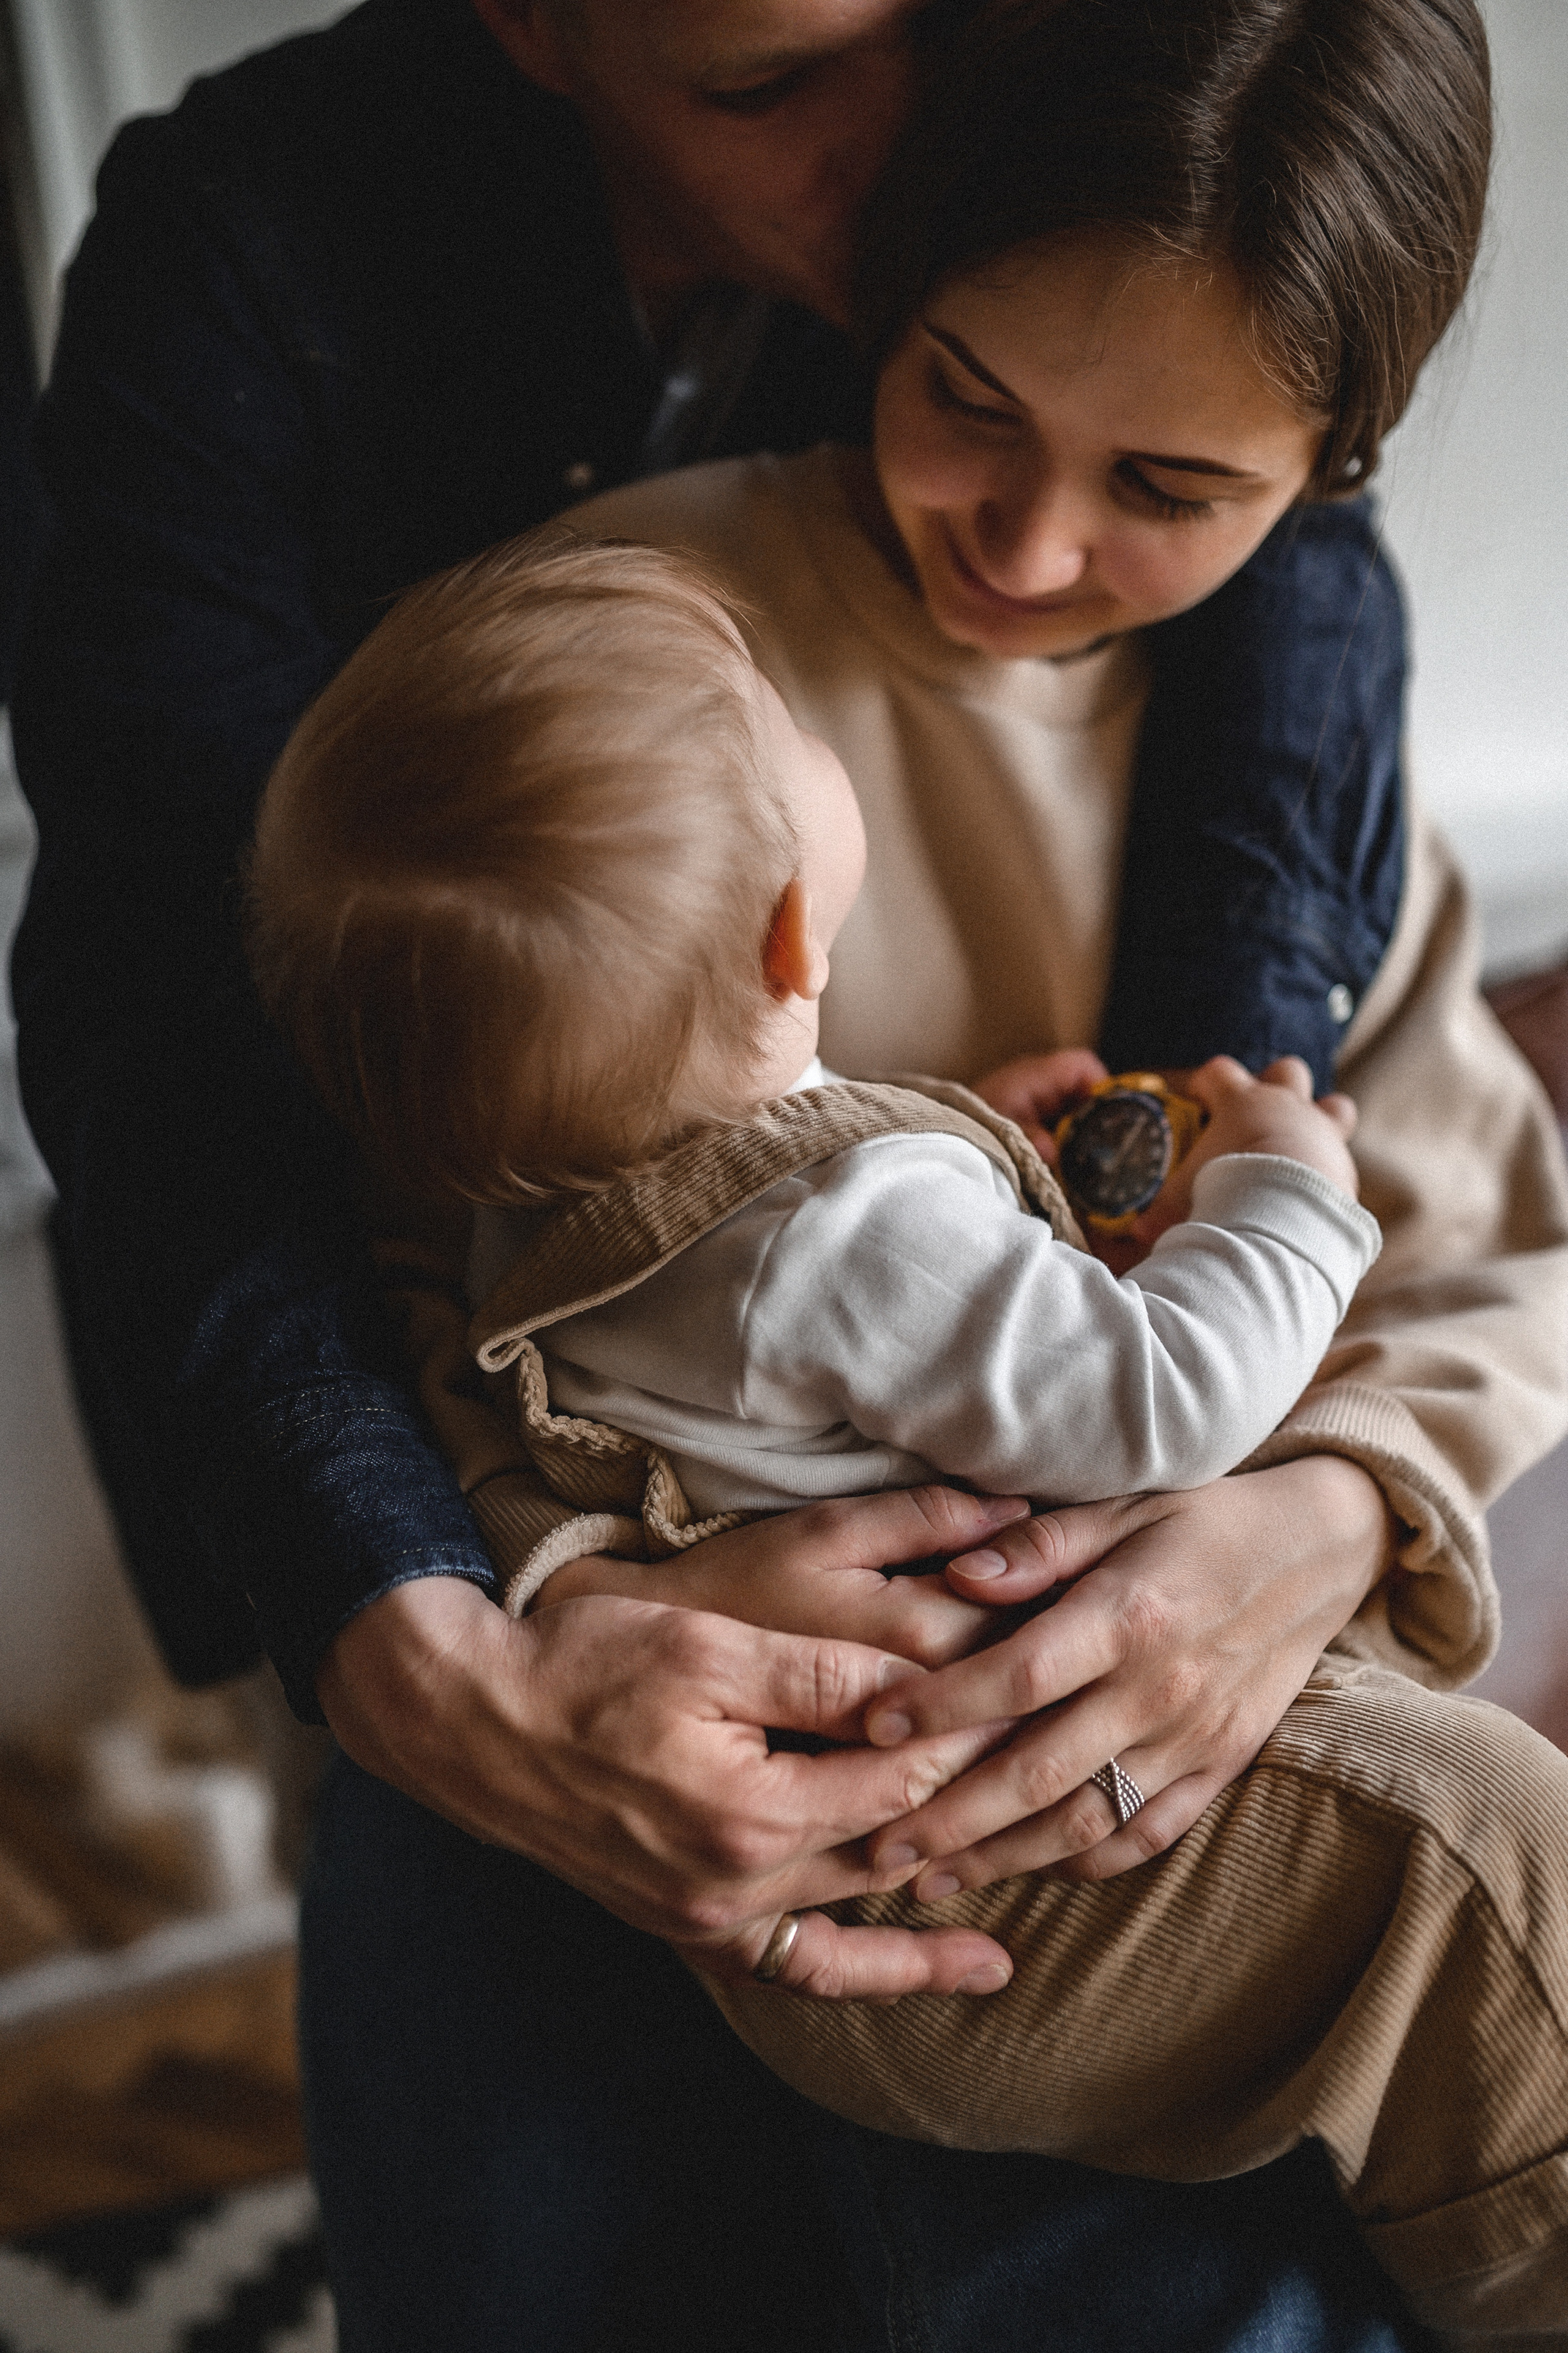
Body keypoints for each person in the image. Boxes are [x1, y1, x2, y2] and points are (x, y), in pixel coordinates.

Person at [10, 0, 1554, 2343]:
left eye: (1173, 486)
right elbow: (313, 1160)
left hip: (1143, 1714)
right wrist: (524, 1606)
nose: (1035, 546)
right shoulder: (615, 662)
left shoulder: (1272, 693)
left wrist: (1310, 1510)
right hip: (585, 1633)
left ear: (1318, 477)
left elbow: (1486, 1245)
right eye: (970, 402)